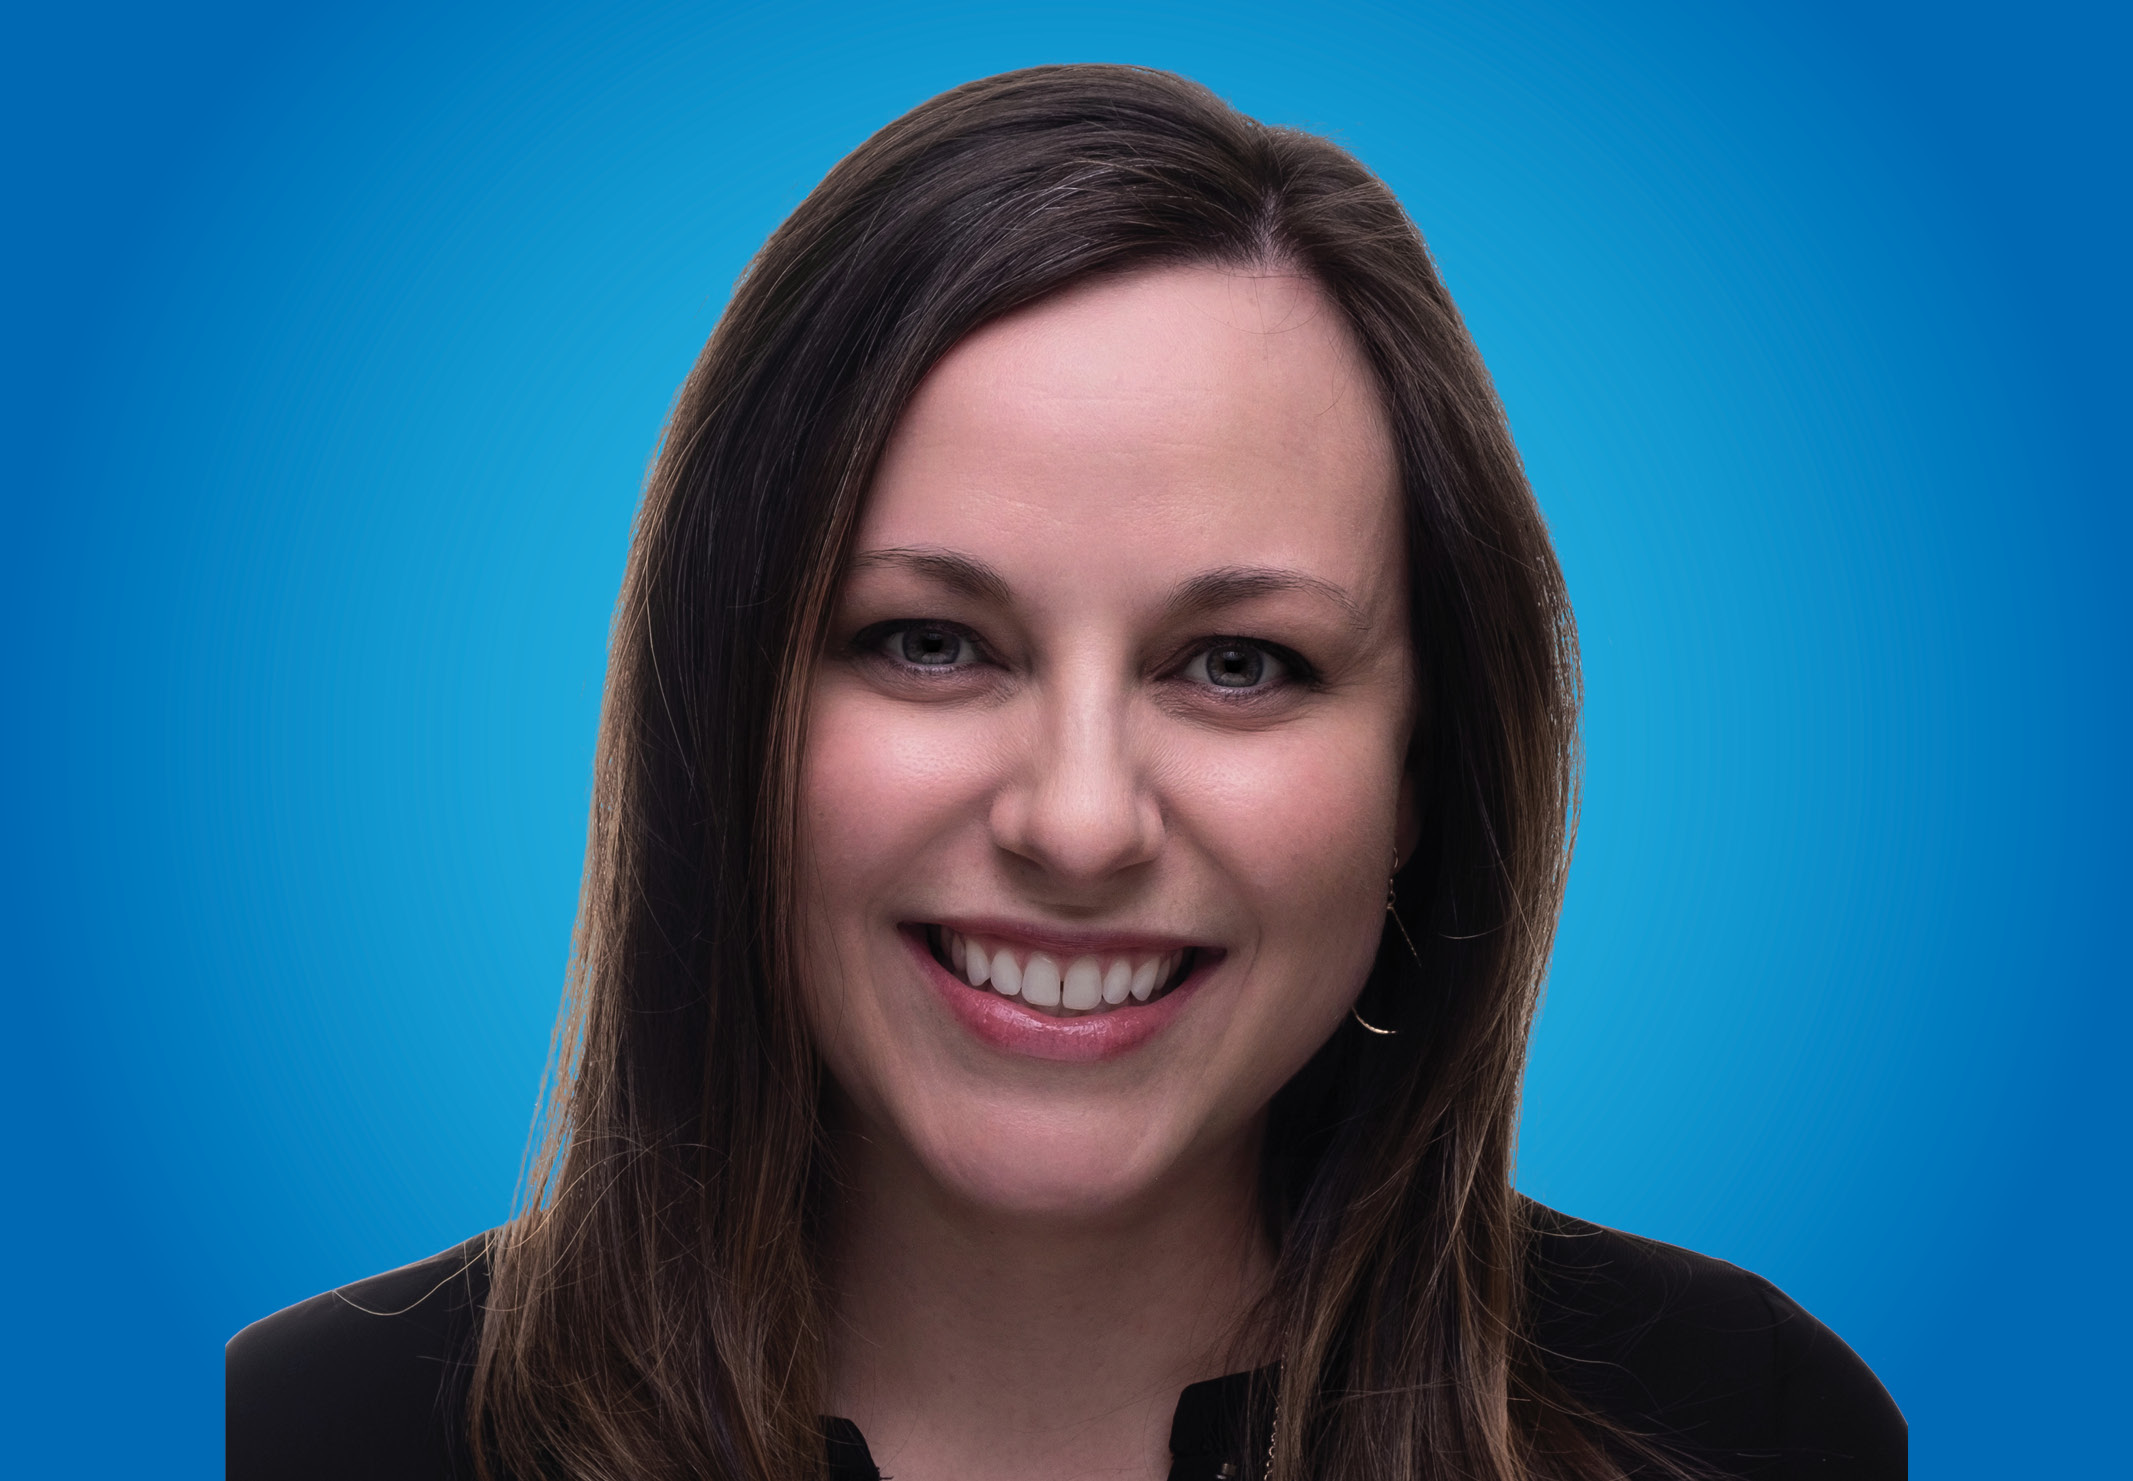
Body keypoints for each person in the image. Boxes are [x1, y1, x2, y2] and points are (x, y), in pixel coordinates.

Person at [226, 65, 1904, 1481]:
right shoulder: (297, 1436)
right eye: (928, 641)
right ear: (725, 712)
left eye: (1238, 664)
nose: (1080, 820)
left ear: (1424, 777)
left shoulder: (1737, 1427)